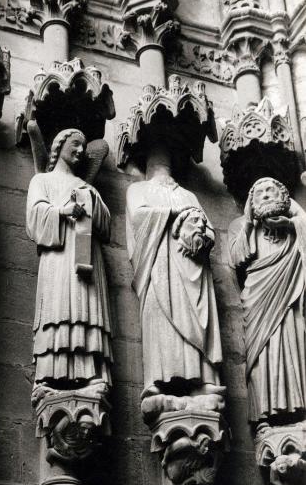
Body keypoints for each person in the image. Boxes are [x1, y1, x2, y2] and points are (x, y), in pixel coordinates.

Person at [126, 172, 224, 417]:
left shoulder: (188, 194)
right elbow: (138, 217)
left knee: (197, 319)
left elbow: (209, 231)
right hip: (159, 265)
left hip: (193, 267)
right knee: (161, 319)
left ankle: (203, 382)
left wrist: (199, 230)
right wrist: (173, 213)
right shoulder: (137, 189)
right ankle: (158, 382)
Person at [26, 128, 113, 401]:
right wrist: (63, 211)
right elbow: (34, 219)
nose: (79, 151)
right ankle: (50, 375)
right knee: (58, 309)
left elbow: (106, 227)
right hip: (58, 257)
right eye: (75, 144)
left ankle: (89, 374)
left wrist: (91, 201)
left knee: (86, 309)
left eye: (83, 148)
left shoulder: (87, 186)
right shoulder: (42, 181)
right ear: (59, 145)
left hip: (87, 259)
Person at [229, 177, 306, 424]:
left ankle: (298, 407)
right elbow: (237, 258)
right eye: (258, 192)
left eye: (271, 190)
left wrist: (295, 217)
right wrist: (249, 224)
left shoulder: (295, 225)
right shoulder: (241, 226)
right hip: (258, 298)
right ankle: (265, 413)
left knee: (292, 341)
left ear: (283, 196)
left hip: (289, 299)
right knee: (262, 351)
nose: (264, 195)